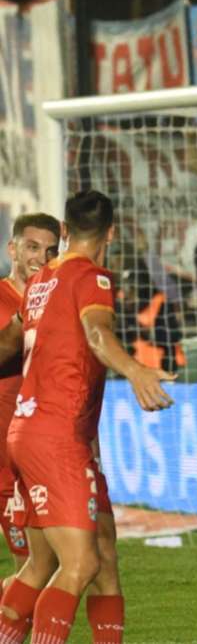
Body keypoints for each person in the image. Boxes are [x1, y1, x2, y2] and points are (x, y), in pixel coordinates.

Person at [0, 190, 176, 644]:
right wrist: (136, 371)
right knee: (80, 564)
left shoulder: (40, 282)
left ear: (64, 231)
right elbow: (97, 333)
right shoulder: (92, 278)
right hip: (56, 435)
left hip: (40, 433)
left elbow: (8, 343)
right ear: (110, 233)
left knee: (82, 559)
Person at [0, 214, 60, 585]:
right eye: (32, 247)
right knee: (34, 568)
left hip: (40, 451)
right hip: (5, 460)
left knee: (49, 564)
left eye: (51, 250)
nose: (41, 257)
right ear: (13, 249)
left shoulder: (57, 302)